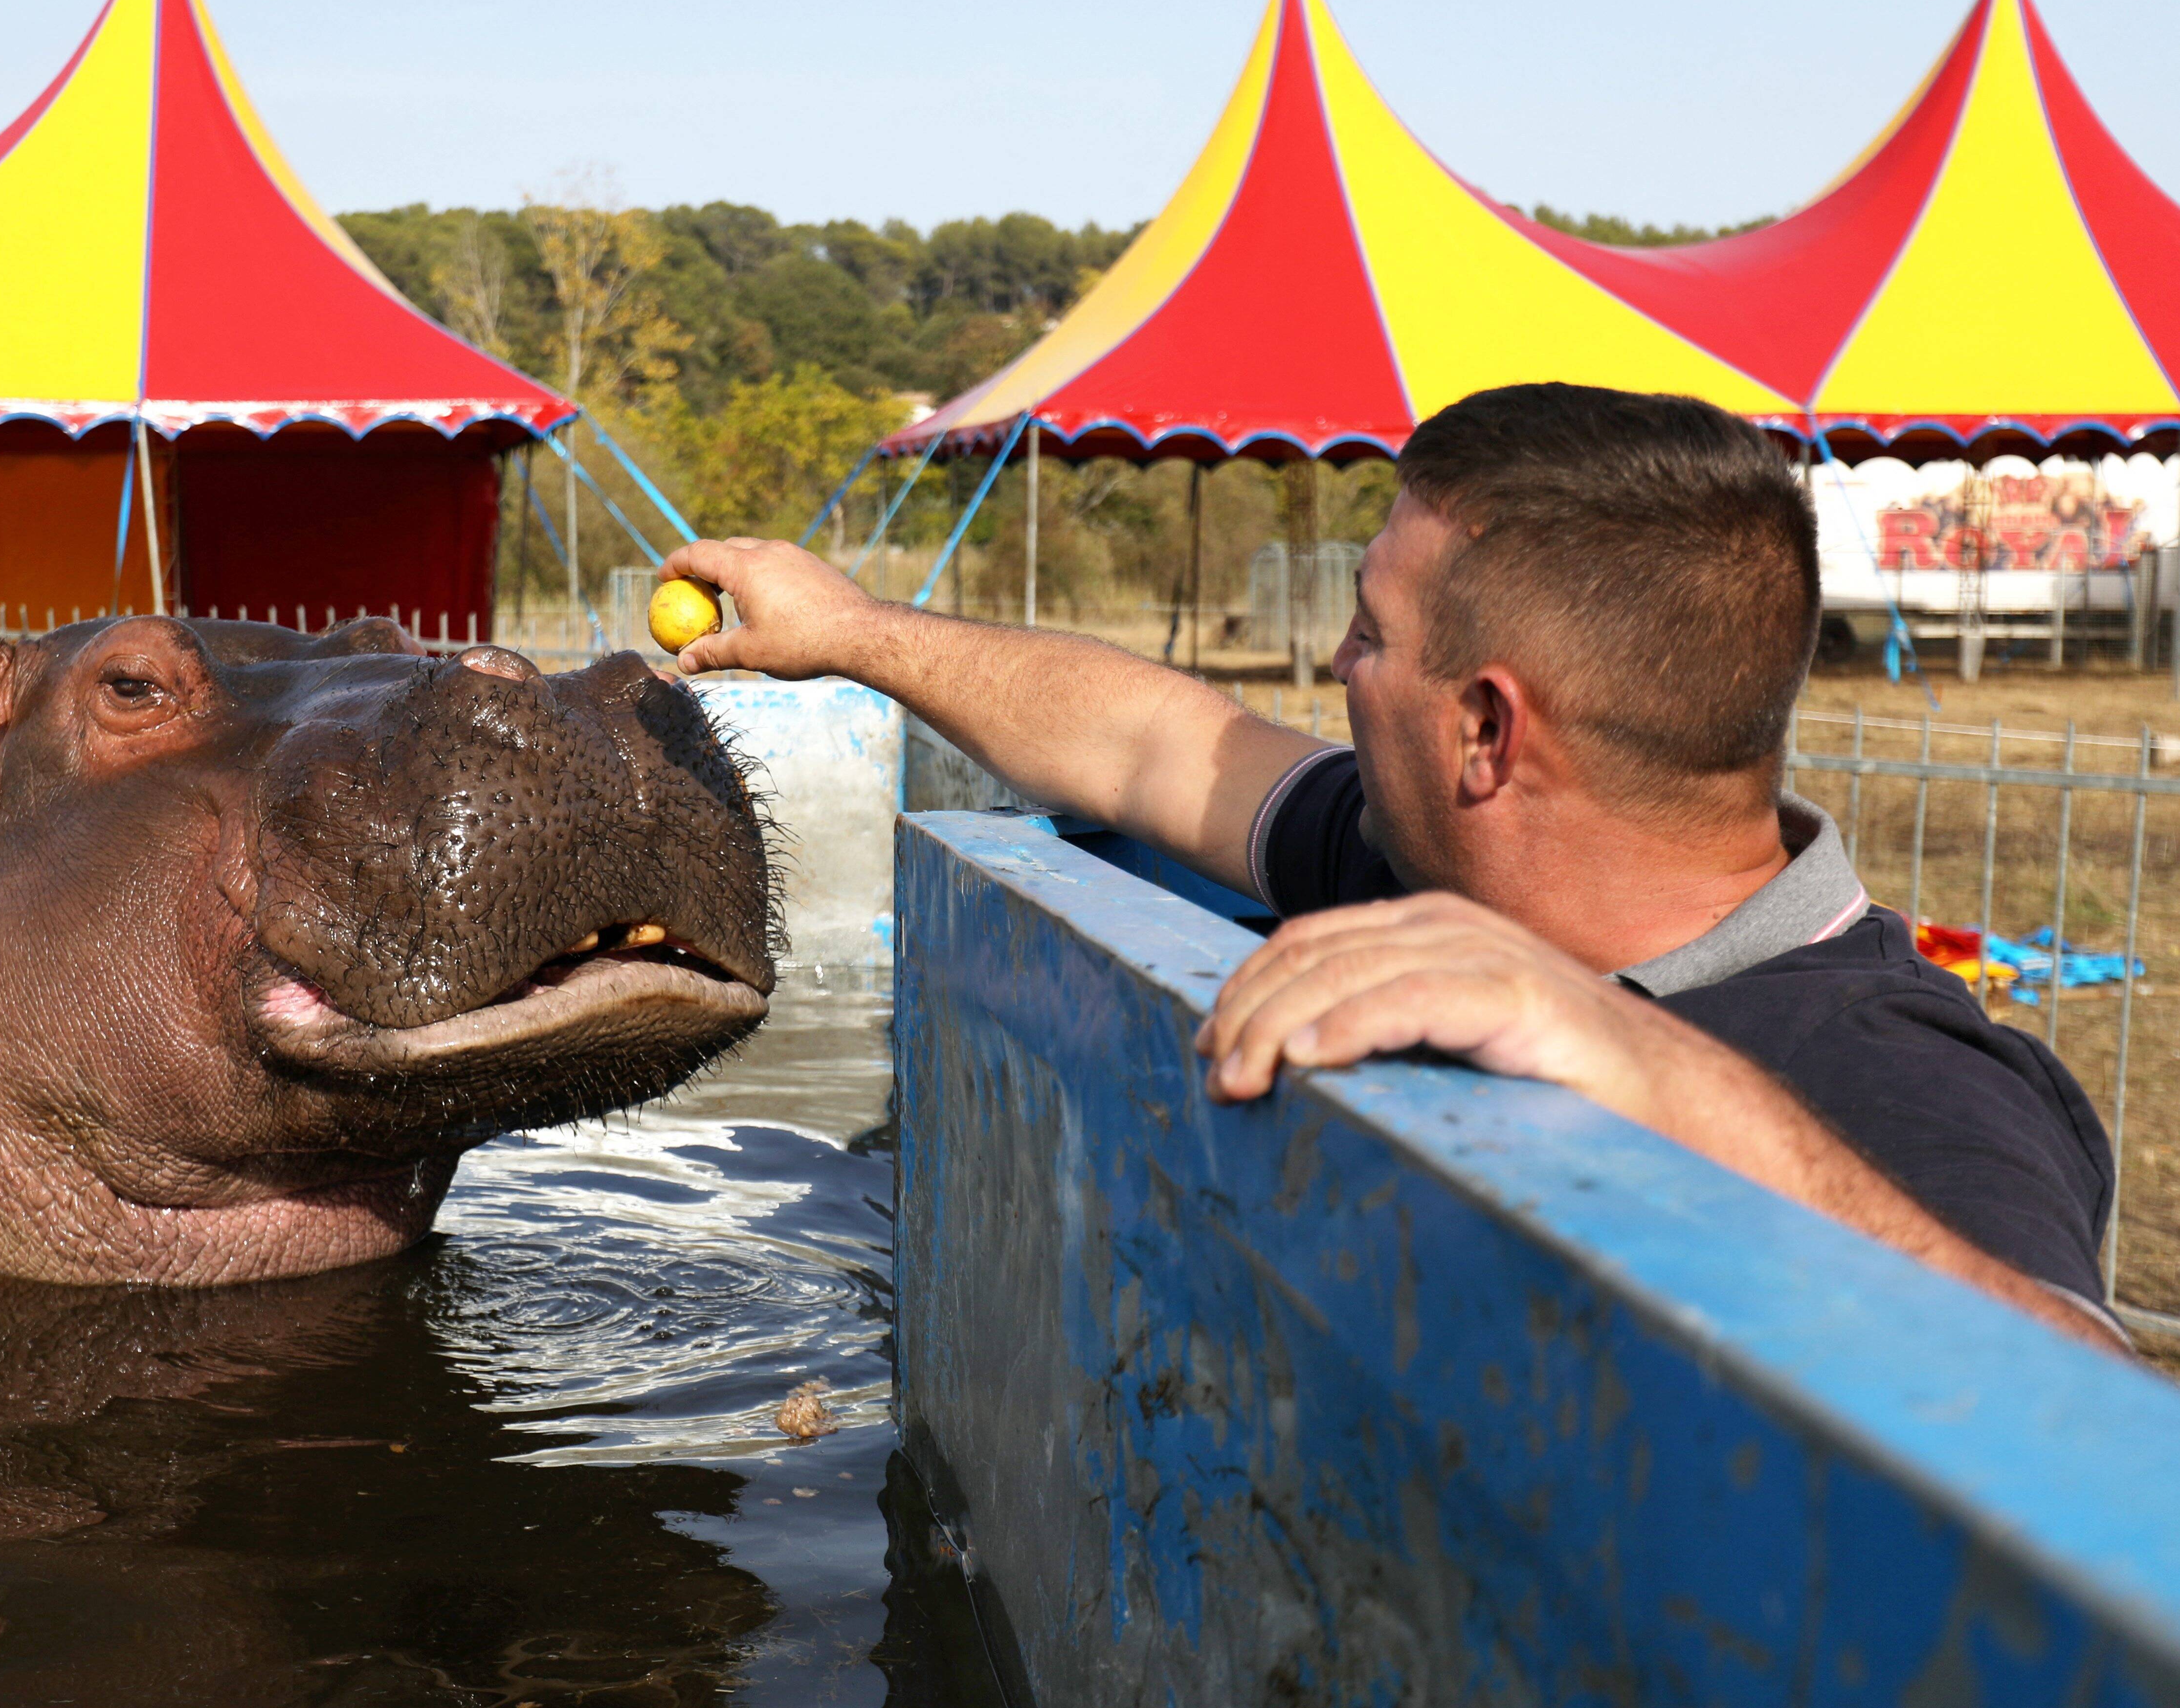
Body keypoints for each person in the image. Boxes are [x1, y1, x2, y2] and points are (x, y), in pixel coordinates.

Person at [663, 383, 2125, 1354]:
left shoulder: (1910, 1073)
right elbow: (1151, 747)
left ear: (1483, 728)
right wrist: (852, 632)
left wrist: (1640, 1060)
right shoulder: (1415, 865)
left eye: (1367, 631)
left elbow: (2103, 1431)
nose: (1337, 666)